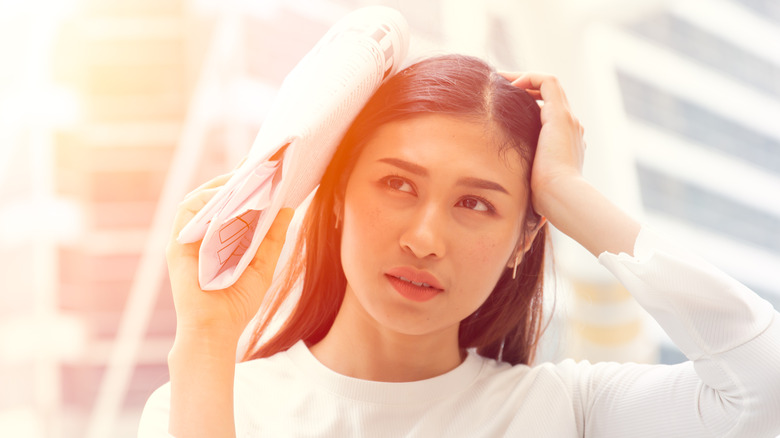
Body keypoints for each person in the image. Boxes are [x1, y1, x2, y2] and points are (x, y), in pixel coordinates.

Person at [139, 54, 780, 437]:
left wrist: (563, 191)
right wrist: (204, 339)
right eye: (397, 184)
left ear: (523, 239)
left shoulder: (568, 412)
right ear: (335, 198)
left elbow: (765, 388)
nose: (424, 240)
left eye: (476, 203)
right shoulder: (211, 404)